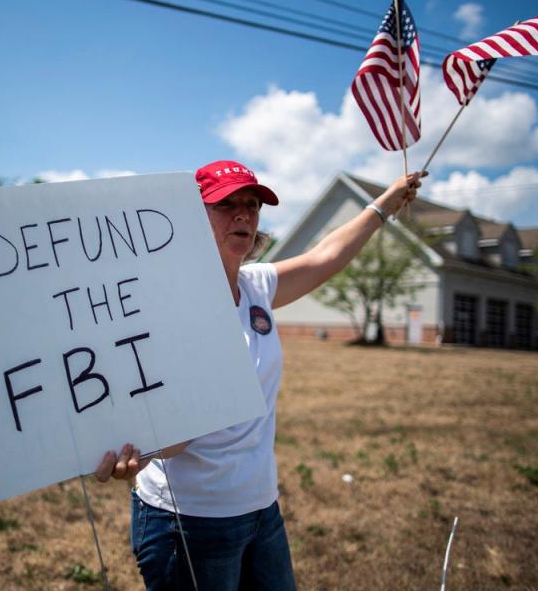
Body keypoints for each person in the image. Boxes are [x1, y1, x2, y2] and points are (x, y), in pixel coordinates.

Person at [95, 160, 424, 590]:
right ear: (190, 219)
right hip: (189, 524)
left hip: (261, 511)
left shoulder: (257, 286)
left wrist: (386, 204)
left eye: (251, 205)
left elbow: (326, 256)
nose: (243, 215)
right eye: (225, 204)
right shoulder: (163, 305)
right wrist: (140, 447)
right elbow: (174, 434)